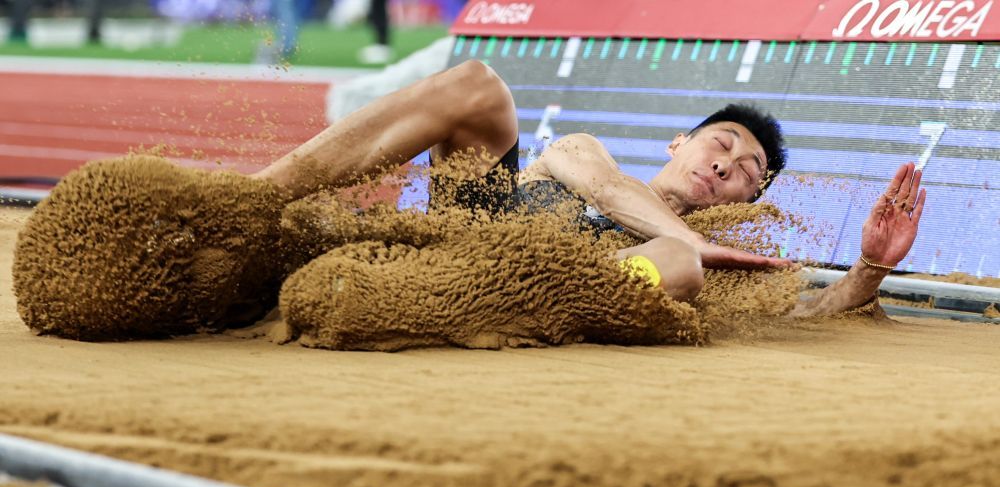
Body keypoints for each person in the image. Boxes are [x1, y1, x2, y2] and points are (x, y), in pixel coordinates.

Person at [253, 60, 926, 315]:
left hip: (507, 302)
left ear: (744, 201)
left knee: (679, 265)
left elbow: (809, 312)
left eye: (746, 172)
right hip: (466, 236)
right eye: (721, 143)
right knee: (480, 88)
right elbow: (603, 190)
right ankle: (252, 197)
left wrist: (870, 265)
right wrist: (686, 235)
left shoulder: (707, 256)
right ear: (678, 145)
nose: (727, 164)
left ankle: (470, 311)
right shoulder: (586, 152)